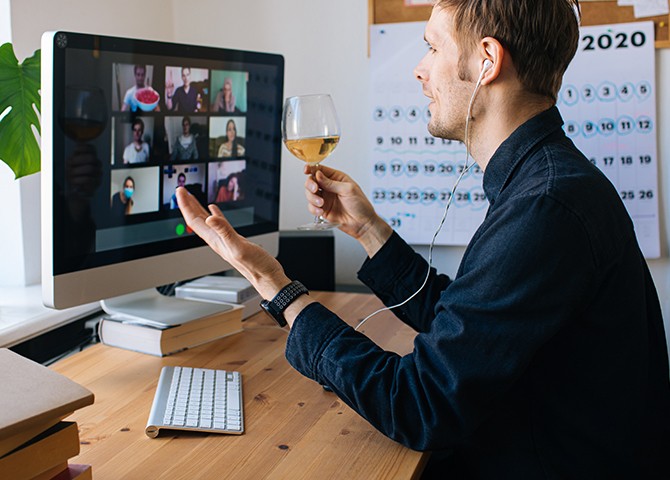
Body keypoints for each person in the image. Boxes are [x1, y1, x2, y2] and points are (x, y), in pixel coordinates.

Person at [176, 1, 670, 477]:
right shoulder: (548, 181)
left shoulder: (544, 208)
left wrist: (276, 287)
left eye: (433, 48)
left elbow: (420, 405)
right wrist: (369, 230)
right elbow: (470, 329)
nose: (420, 69)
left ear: (487, 61)